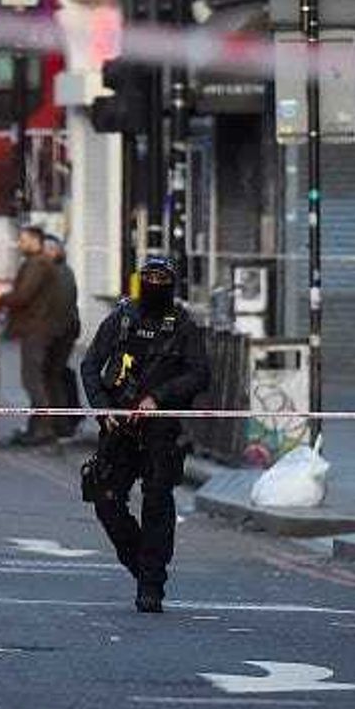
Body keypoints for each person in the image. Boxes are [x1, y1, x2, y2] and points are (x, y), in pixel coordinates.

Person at [79, 257, 210, 613]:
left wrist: (159, 398)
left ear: (172, 283)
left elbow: (200, 374)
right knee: (105, 497)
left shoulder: (183, 326)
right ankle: (140, 565)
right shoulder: (121, 318)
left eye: (161, 278)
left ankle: (151, 584)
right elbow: (90, 366)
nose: (154, 284)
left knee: (157, 502)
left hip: (160, 430)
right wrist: (103, 410)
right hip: (119, 428)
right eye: (148, 277)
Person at [0, 226, 63, 445]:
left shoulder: (38, 264)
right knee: (35, 378)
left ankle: (43, 428)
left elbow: (24, 295)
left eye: (24, 240)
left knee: (32, 380)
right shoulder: (41, 263)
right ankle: (35, 428)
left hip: (37, 329)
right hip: (40, 328)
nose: (20, 243)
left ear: (35, 240)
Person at [44, 236, 82, 439]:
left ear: (57, 251)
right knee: (57, 374)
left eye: (49, 249)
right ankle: (63, 420)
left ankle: (61, 424)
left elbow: (59, 308)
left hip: (60, 333)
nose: (45, 253)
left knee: (52, 376)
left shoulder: (60, 273)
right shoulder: (59, 271)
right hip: (63, 331)